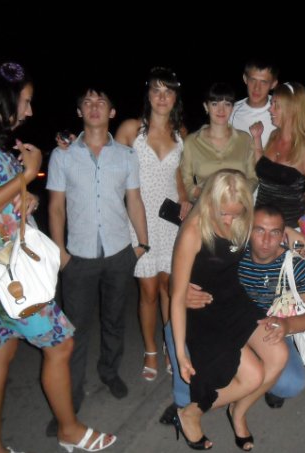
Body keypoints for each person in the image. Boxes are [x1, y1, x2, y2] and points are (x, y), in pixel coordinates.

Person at [0, 59, 115, 453]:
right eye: (25, 101)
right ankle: (68, 430)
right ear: (2, 97)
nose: (29, 111)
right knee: (61, 344)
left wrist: (26, 196)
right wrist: (26, 175)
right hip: (3, 274)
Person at [161, 204, 305, 430]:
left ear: (283, 236)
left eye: (274, 233)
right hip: (225, 321)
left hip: (269, 328)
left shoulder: (292, 265)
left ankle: (252, 389)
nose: (266, 240)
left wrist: (288, 324)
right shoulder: (234, 252)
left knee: (291, 383)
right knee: (175, 329)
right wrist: (178, 289)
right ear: (247, 229)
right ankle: (185, 400)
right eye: (259, 230)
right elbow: (179, 276)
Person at [47, 87, 149, 433]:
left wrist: (142, 244)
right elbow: (56, 207)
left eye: (101, 102)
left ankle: (109, 371)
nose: (94, 107)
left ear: (112, 111)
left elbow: (134, 200)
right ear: (79, 112)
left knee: (114, 321)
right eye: (87, 103)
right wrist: (60, 254)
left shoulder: (126, 156)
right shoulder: (62, 156)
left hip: (119, 252)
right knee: (74, 332)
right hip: (78, 257)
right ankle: (70, 399)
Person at [171, 170, 289, 450]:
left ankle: (238, 412)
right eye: (223, 213)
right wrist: (180, 353)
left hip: (234, 300)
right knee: (252, 376)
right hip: (202, 310)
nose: (228, 221)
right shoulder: (193, 230)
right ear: (210, 202)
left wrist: (294, 235)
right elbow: (177, 296)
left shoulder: (244, 218)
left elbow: (271, 226)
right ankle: (190, 413)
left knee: (279, 355)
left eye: (236, 214)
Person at [115, 67, 190, 382]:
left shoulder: (181, 132)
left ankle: (171, 344)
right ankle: (150, 351)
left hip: (170, 220)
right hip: (140, 219)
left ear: (175, 97)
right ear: (147, 94)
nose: (162, 97)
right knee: (147, 290)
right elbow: (109, 168)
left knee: (169, 287)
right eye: (156, 90)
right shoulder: (131, 129)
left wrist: (185, 202)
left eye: (168, 91)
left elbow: (180, 178)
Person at [251, 82, 305, 228]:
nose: (270, 109)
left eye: (276, 104)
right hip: (259, 223)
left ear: (292, 109)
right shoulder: (274, 135)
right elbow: (264, 170)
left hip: (289, 228)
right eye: (271, 103)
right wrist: (257, 139)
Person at [180, 83, 258, 203]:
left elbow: (253, 178)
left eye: (227, 104)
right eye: (215, 104)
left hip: (238, 207)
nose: (221, 110)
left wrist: (238, 193)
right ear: (206, 107)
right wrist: (206, 194)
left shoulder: (245, 140)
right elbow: (185, 182)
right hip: (205, 208)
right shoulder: (191, 142)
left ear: (232, 108)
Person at [230, 59, 279, 147]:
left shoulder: (282, 110)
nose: (257, 88)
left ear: (273, 84)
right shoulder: (231, 112)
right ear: (245, 79)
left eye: (263, 82)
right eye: (253, 80)